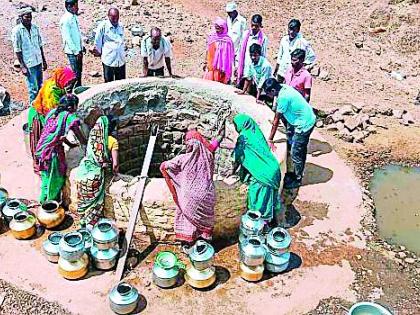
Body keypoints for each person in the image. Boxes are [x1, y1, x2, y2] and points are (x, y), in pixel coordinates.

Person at [160, 127, 225, 245]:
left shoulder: (183, 158)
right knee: (205, 221)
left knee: (187, 218)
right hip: (207, 195)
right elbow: (214, 144)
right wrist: (221, 134)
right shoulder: (209, 155)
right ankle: (204, 242)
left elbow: (164, 166)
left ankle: (189, 242)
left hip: (188, 198)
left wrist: (176, 176)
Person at [263, 78, 316, 189]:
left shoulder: (283, 98)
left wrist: (270, 139)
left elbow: (276, 120)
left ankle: (297, 179)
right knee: (300, 149)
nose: (267, 95)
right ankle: (297, 171)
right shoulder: (283, 87)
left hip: (304, 125)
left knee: (296, 152)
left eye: (267, 92)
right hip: (308, 119)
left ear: (273, 91)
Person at [35, 94, 86, 203]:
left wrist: (70, 144)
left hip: (41, 149)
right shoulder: (68, 116)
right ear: (70, 107)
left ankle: (42, 200)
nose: (76, 108)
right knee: (55, 179)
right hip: (51, 153)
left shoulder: (52, 113)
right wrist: (87, 144)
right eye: (75, 105)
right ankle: (50, 205)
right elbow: (78, 134)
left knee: (45, 178)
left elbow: (55, 134)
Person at [232, 114, 282, 226]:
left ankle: (260, 228)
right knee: (268, 200)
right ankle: (272, 223)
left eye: (236, 125)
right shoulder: (256, 133)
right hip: (273, 168)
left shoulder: (243, 138)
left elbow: (238, 156)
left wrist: (232, 172)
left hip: (263, 174)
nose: (235, 128)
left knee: (258, 202)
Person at [29, 66, 76, 174]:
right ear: (61, 79)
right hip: (39, 114)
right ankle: (42, 168)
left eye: (72, 83)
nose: (70, 86)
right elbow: (55, 122)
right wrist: (69, 142)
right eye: (68, 83)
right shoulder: (51, 93)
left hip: (45, 113)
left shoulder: (57, 85)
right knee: (44, 141)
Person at [76, 115, 119, 229]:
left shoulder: (93, 136)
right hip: (94, 177)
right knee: (94, 204)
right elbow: (115, 165)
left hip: (82, 172)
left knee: (84, 200)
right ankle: (90, 227)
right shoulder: (112, 141)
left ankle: (82, 223)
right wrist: (114, 173)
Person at [12, 6, 48, 104]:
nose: (29, 19)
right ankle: (33, 111)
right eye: (26, 17)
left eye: (30, 16)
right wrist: (22, 66)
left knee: (40, 86)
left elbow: (40, 45)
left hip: (38, 61)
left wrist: (44, 60)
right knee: (33, 89)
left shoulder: (35, 28)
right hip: (28, 63)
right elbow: (18, 50)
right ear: (21, 17)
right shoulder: (17, 31)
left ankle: (40, 108)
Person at [91, 8, 126, 83]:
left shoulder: (121, 26)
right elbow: (98, 41)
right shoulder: (103, 26)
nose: (115, 20)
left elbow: (122, 40)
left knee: (121, 82)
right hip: (109, 60)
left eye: (117, 17)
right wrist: (98, 52)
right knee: (108, 82)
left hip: (120, 59)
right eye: (113, 17)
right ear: (108, 16)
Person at [236, 14, 268, 86]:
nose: (253, 28)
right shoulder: (245, 34)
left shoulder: (263, 39)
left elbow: (263, 55)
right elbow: (240, 50)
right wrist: (237, 65)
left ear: (260, 25)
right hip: (243, 66)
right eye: (252, 25)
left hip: (254, 68)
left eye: (256, 26)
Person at [203, 17, 234, 84]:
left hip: (221, 68)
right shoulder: (212, 38)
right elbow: (208, 50)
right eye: (216, 28)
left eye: (218, 28)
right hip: (211, 66)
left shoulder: (228, 41)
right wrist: (205, 62)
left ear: (223, 28)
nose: (217, 30)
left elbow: (229, 57)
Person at [60, 0, 84, 87]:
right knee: (74, 74)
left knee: (79, 72)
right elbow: (68, 38)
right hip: (73, 52)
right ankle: (71, 92)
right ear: (69, 7)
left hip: (78, 50)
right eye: (75, 6)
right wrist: (76, 51)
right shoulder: (65, 20)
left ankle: (78, 90)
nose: (77, 8)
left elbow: (77, 34)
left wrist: (81, 47)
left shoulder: (73, 17)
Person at [225, 2, 247, 77]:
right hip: (228, 47)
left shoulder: (242, 21)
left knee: (237, 68)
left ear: (234, 11)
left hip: (237, 48)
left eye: (230, 13)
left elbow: (243, 36)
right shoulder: (228, 19)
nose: (228, 14)